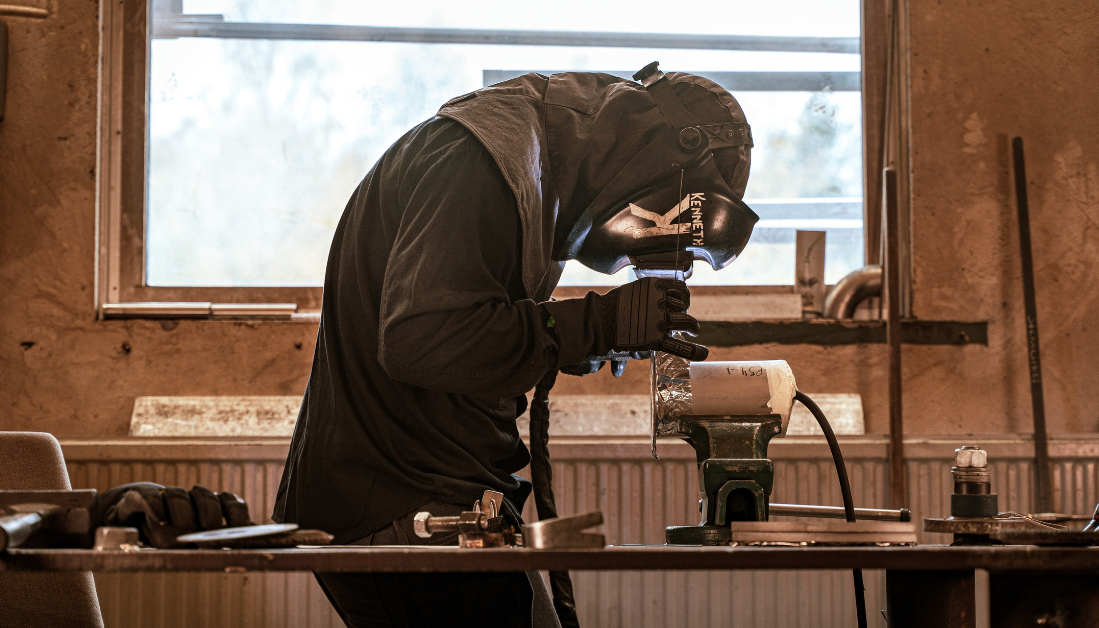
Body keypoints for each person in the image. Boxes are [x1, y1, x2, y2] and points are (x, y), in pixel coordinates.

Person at [273, 64, 755, 628]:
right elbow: (422, 340)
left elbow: (476, 333)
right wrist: (596, 323)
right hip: (404, 508)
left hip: (438, 497)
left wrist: (601, 339)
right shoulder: (479, 159)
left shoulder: (530, 168)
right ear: (657, 149)